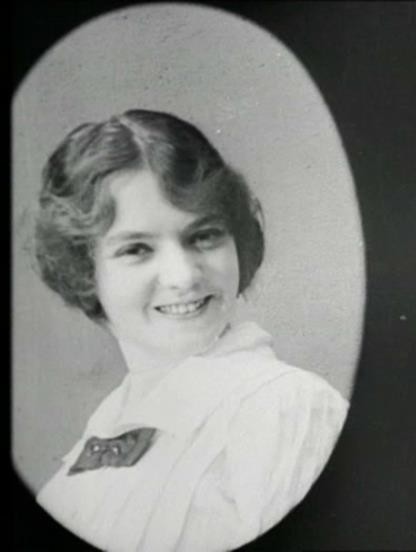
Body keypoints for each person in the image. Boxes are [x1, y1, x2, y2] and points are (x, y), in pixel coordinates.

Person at [33, 109, 348, 551]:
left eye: (203, 236)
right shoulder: (101, 435)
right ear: (85, 270)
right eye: (137, 249)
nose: (183, 276)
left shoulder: (285, 410)